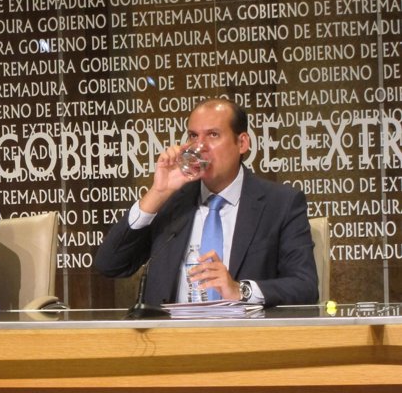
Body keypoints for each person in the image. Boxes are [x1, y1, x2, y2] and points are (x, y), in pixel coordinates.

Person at [94, 98, 319, 307]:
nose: (199, 147)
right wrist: (158, 193)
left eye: (212, 135)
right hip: (171, 341)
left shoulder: (280, 204)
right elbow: (110, 264)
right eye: (193, 136)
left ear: (242, 143)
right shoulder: (172, 202)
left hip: (244, 340)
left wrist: (240, 290)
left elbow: (305, 286)